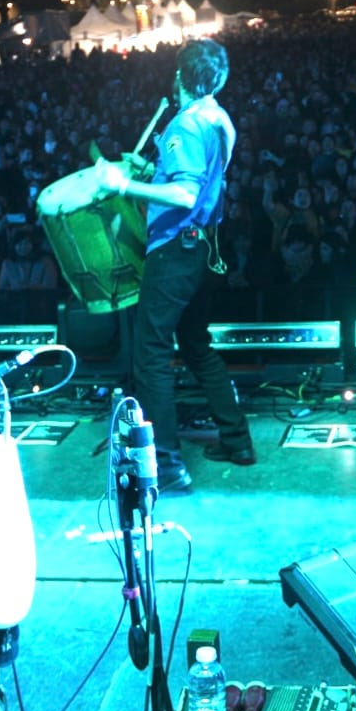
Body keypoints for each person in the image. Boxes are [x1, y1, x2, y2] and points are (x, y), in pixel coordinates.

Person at [98, 40, 254, 491]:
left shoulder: (184, 125)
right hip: (204, 248)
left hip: (175, 251)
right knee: (196, 344)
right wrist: (151, 172)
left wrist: (125, 184)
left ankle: (166, 464)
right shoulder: (218, 118)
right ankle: (237, 440)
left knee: (150, 354)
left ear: (180, 76)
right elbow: (196, 180)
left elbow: (185, 194)